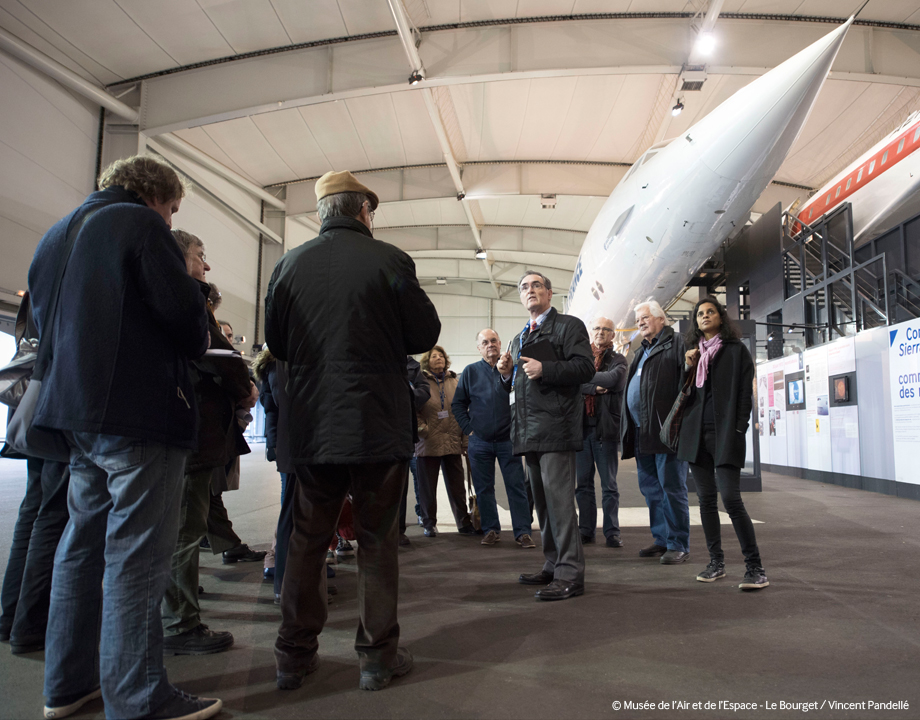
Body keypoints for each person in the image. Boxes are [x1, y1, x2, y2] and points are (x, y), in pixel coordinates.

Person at [28, 155, 220, 719]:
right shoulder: (141, 226)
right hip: (136, 413)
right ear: (155, 197)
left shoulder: (55, 234)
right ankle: (138, 697)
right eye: (173, 209)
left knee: (81, 547)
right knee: (137, 556)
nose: (171, 218)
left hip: (75, 415)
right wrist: (197, 294)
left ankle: (67, 685)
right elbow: (186, 324)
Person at [265, 170, 440, 691]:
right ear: (364, 210)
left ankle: (293, 656)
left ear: (323, 213)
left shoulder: (289, 264)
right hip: (375, 425)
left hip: (314, 426)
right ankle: (376, 658)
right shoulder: (388, 260)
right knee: (377, 540)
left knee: (307, 541)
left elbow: (279, 342)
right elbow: (424, 333)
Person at [160, 230, 257, 655]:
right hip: (191, 430)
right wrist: (244, 387)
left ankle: (178, 604)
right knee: (184, 527)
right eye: (200, 256)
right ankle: (181, 623)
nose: (207, 265)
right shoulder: (186, 299)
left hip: (180, 430)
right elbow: (222, 356)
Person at [497, 271, 594, 601]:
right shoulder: (518, 338)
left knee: (561, 505)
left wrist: (546, 369)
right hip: (529, 432)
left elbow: (585, 368)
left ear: (550, 294)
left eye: (536, 285)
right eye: (524, 287)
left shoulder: (568, 326)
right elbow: (517, 390)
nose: (530, 290)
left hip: (557, 428)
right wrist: (506, 374)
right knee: (543, 505)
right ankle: (553, 564)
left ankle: (570, 574)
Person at [678, 296, 768, 590]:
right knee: (705, 501)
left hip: (725, 434)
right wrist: (687, 366)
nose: (704, 316)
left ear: (720, 317)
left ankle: (755, 567)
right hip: (696, 437)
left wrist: (739, 429)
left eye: (710, 311)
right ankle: (716, 562)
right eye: (700, 313)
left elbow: (745, 395)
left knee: (730, 498)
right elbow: (686, 395)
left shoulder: (735, 351)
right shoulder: (693, 354)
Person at [621, 300, 691, 565]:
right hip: (641, 431)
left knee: (672, 488)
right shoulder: (642, 350)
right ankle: (662, 539)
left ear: (661, 319)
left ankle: (678, 544)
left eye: (645, 317)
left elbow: (688, 382)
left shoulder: (677, 344)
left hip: (665, 431)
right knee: (651, 488)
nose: (640, 322)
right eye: (638, 319)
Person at [452, 329, 534, 548]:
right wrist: (469, 430)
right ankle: (490, 530)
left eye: (494, 341)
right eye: (485, 342)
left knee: (516, 487)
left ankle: (523, 532)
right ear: (479, 348)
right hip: (480, 441)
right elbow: (458, 404)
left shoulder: (513, 370)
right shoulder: (470, 372)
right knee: (484, 488)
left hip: (508, 440)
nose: (490, 345)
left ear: (500, 344)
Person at [575, 317, 627, 548]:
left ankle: (612, 532)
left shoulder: (619, 359)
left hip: (605, 430)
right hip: (581, 430)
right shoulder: (580, 359)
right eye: (597, 328)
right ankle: (586, 530)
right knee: (583, 485)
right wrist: (593, 386)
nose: (601, 332)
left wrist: (583, 380)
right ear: (591, 332)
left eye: (606, 329)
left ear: (613, 335)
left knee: (609, 486)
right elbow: (571, 383)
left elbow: (613, 380)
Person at [415, 345, 473, 538]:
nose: (438, 358)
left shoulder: (455, 381)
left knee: (458, 487)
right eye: (433, 356)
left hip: (452, 440)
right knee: (427, 489)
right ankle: (429, 524)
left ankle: (464, 523)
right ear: (426, 361)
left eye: (441, 355)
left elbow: (464, 411)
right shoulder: (420, 382)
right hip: (428, 441)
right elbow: (413, 410)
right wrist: (423, 429)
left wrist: (465, 440)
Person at [398, 356, 431, 545]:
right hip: (377, 431)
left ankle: (398, 530)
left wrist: (405, 395)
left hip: (402, 432)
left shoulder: (412, 365)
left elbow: (424, 391)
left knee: (399, 487)